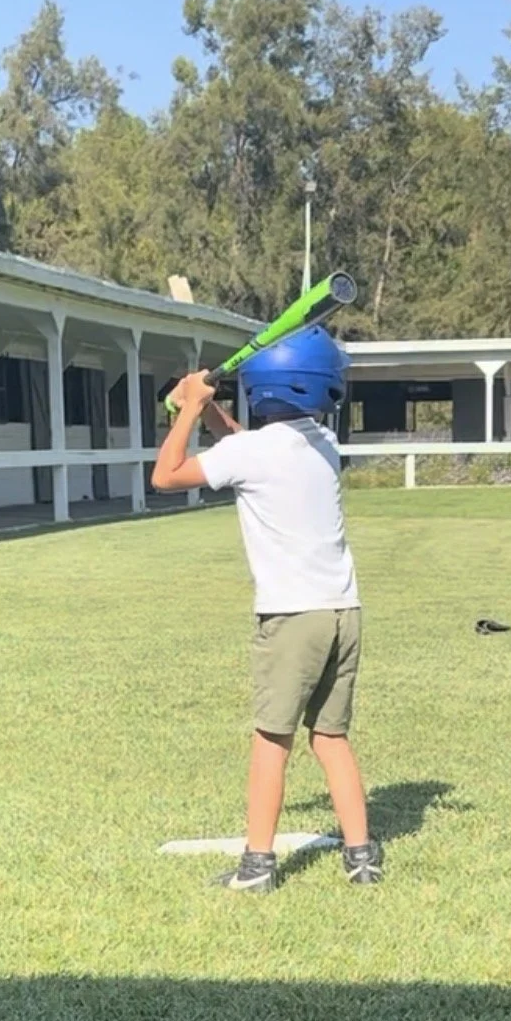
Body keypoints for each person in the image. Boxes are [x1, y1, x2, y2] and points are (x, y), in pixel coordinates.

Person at [151, 327, 382, 892]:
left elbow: (165, 476)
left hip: (292, 618)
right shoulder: (323, 444)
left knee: (270, 740)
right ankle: (361, 859)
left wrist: (189, 408)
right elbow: (236, 445)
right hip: (342, 612)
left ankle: (257, 868)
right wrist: (209, 411)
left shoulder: (251, 451)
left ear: (262, 387)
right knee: (330, 738)